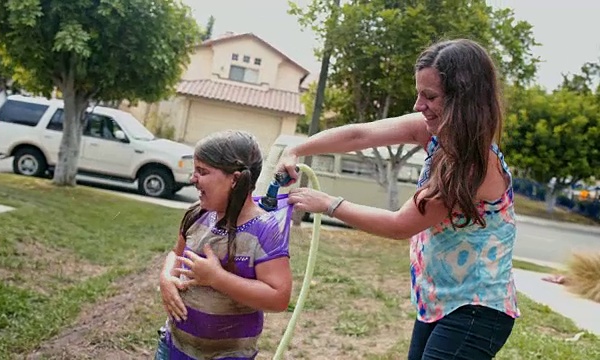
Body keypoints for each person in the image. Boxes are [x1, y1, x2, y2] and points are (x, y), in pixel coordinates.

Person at [277, 39, 520, 360]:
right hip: (441, 302)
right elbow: (360, 135)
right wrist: (298, 149)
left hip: (476, 311)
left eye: (430, 96)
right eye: (419, 93)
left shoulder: (472, 164)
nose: (419, 105)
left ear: (464, 100)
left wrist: (329, 204)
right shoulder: (433, 132)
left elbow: (399, 225)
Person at [156, 130, 293, 360]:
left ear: (235, 179)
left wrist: (217, 278)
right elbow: (175, 253)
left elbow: (279, 297)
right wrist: (166, 279)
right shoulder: (196, 215)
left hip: (229, 355)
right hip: (174, 348)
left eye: (203, 171)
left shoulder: (264, 231)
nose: (193, 178)